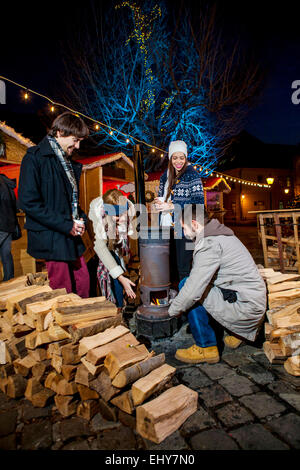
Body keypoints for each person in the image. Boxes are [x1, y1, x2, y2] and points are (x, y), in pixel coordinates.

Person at [168, 204, 266, 364]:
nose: (183, 232)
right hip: (252, 302)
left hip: (248, 309)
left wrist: (172, 311)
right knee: (199, 284)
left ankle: (206, 347)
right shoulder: (220, 233)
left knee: (187, 285)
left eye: (184, 227)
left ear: (194, 224)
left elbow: (193, 290)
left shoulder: (209, 243)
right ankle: (239, 333)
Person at [18, 112, 90, 297]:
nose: (78, 146)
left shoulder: (66, 161)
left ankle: (83, 322)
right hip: (52, 237)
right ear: (59, 132)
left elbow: (68, 201)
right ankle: (67, 325)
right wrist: (67, 225)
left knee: (83, 282)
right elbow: (28, 202)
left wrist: (81, 218)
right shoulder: (34, 158)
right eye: (75, 140)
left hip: (69, 236)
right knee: (63, 291)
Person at [153, 140, 204, 281]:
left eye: (182, 157)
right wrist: (160, 202)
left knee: (184, 267)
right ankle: (175, 296)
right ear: (170, 158)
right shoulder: (165, 176)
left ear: (186, 157)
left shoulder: (192, 175)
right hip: (167, 227)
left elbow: (198, 206)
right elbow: (164, 197)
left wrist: (172, 206)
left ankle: (186, 300)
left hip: (185, 228)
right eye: (175, 158)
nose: (178, 161)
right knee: (170, 266)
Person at [89, 188, 136, 307]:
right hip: (97, 247)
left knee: (118, 268)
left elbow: (125, 236)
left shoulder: (129, 208)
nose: (120, 218)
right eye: (116, 216)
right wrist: (121, 277)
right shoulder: (98, 214)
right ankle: (113, 308)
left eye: (122, 214)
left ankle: (120, 307)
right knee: (109, 273)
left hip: (116, 244)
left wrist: (120, 227)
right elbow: (101, 248)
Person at [0, 174, 18, 281]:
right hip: (9, 225)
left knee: (6, 255)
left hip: (1, 224)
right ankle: (9, 282)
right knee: (6, 255)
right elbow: (16, 206)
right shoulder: (7, 183)